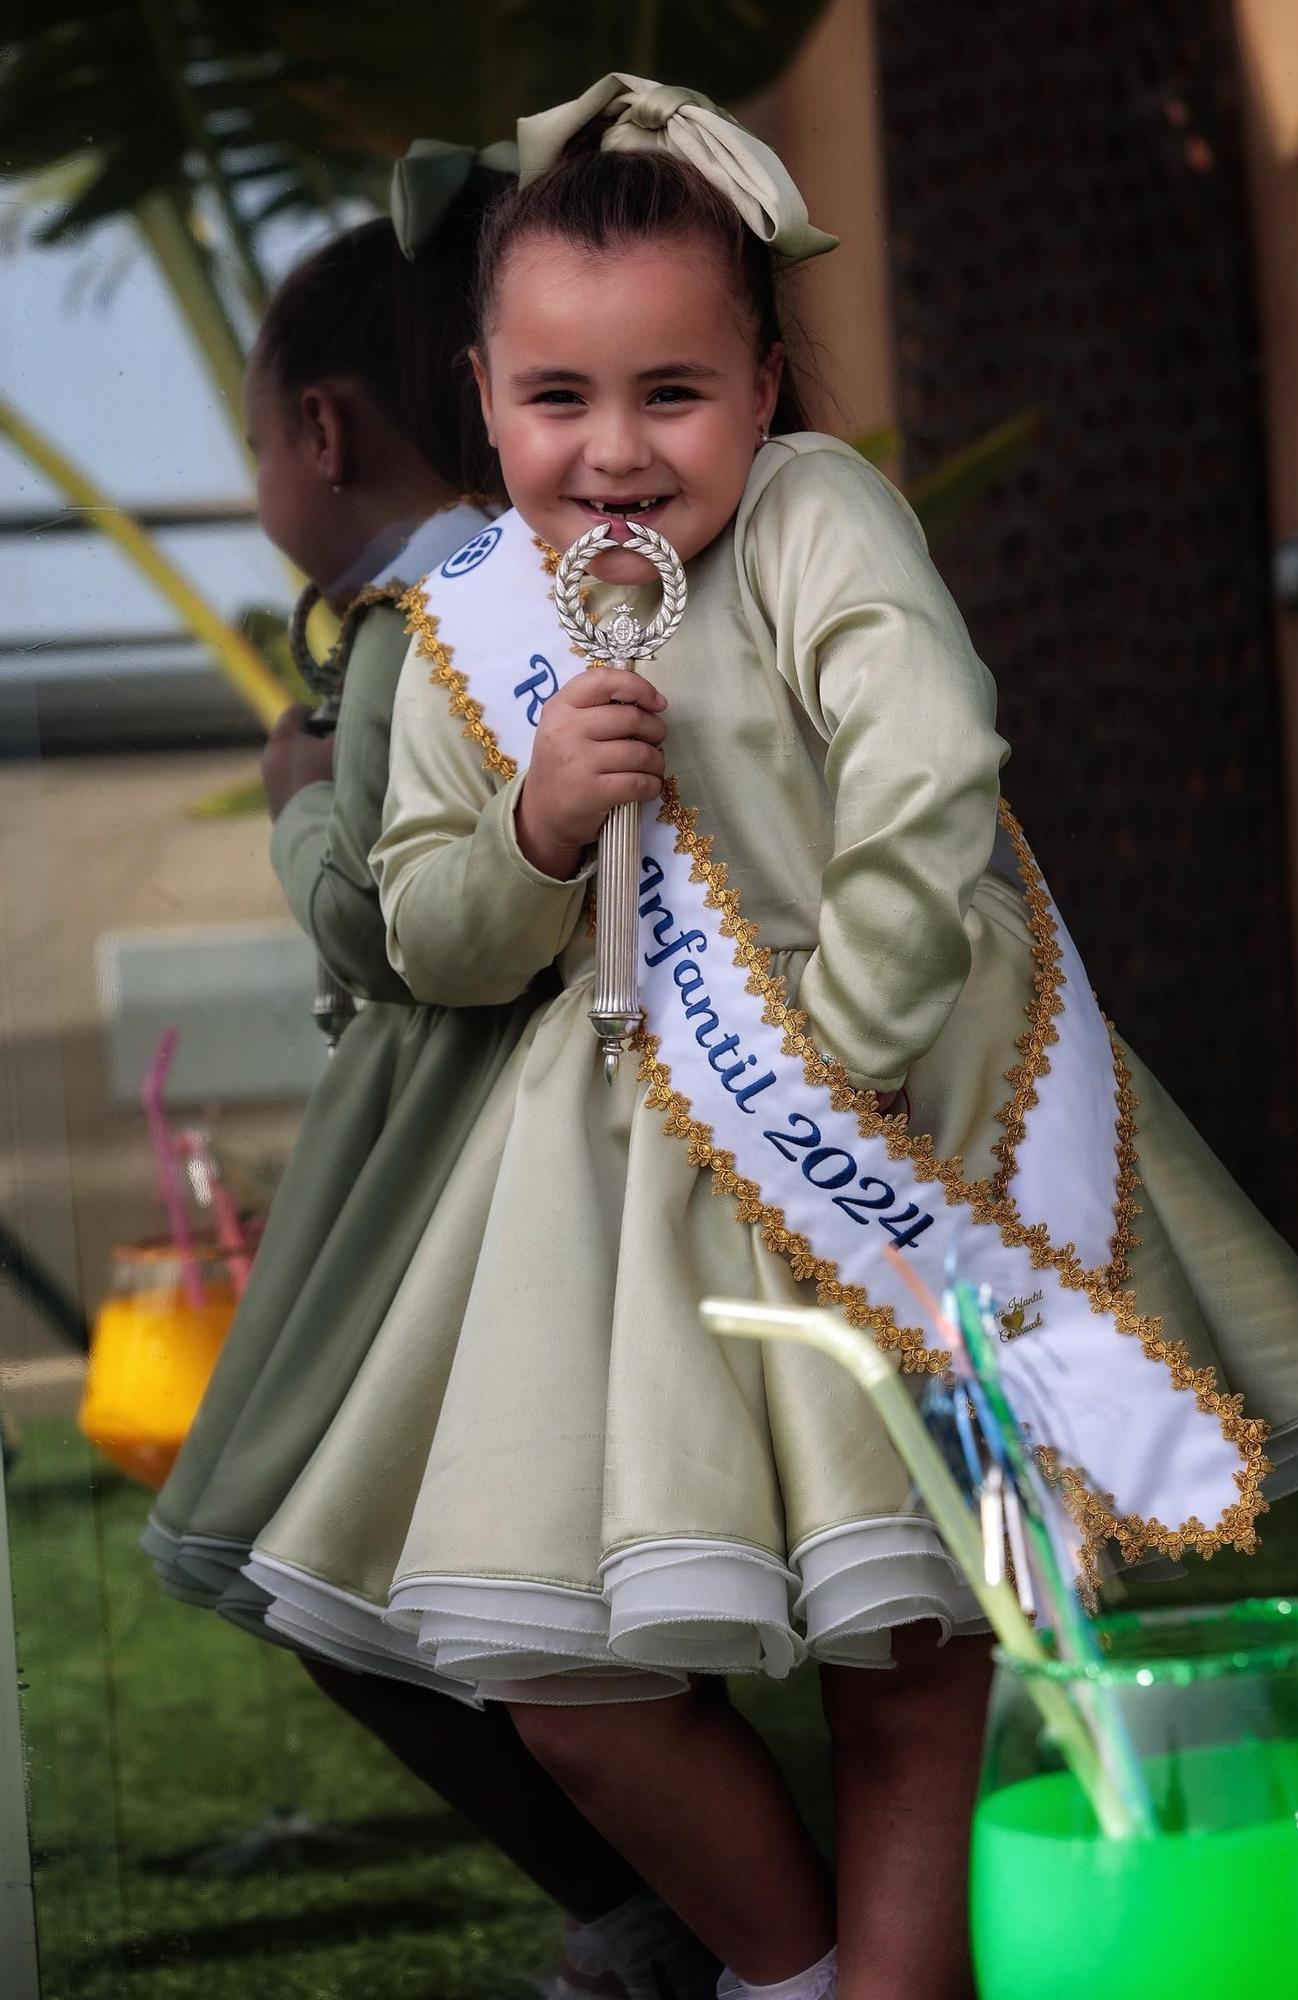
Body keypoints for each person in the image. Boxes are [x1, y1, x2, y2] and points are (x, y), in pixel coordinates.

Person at [239, 78, 1298, 2000]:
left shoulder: (822, 516)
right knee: (561, 1672)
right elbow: (428, 928)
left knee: (918, 1651)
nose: (617, 453)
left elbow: (927, 770)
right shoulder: (468, 619)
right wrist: (536, 826)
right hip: (608, 1189)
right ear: (484, 403)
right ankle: (791, 1965)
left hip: (897, 1116)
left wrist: (837, 1036)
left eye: (675, 393)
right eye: (557, 401)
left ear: (761, 386)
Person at [143, 146, 720, 2000]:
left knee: (323, 1547)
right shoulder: (602, 580)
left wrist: (301, 815)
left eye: (251, 453)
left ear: (320, 429)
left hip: (455, 1189)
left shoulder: (417, 629)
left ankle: (675, 1917)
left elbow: (385, 931)